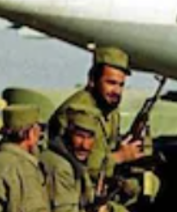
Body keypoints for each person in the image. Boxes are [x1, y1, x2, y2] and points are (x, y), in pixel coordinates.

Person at [41, 107, 148, 212]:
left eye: (90, 137)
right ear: (67, 135)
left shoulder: (73, 161)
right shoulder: (60, 166)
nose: (85, 145)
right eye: (79, 136)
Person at [48, 46, 144, 183]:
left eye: (121, 85)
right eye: (111, 83)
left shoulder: (110, 109)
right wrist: (120, 156)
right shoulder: (80, 111)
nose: (116, 91)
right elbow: (85, 166)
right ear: (92, 80)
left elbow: (108, 147)